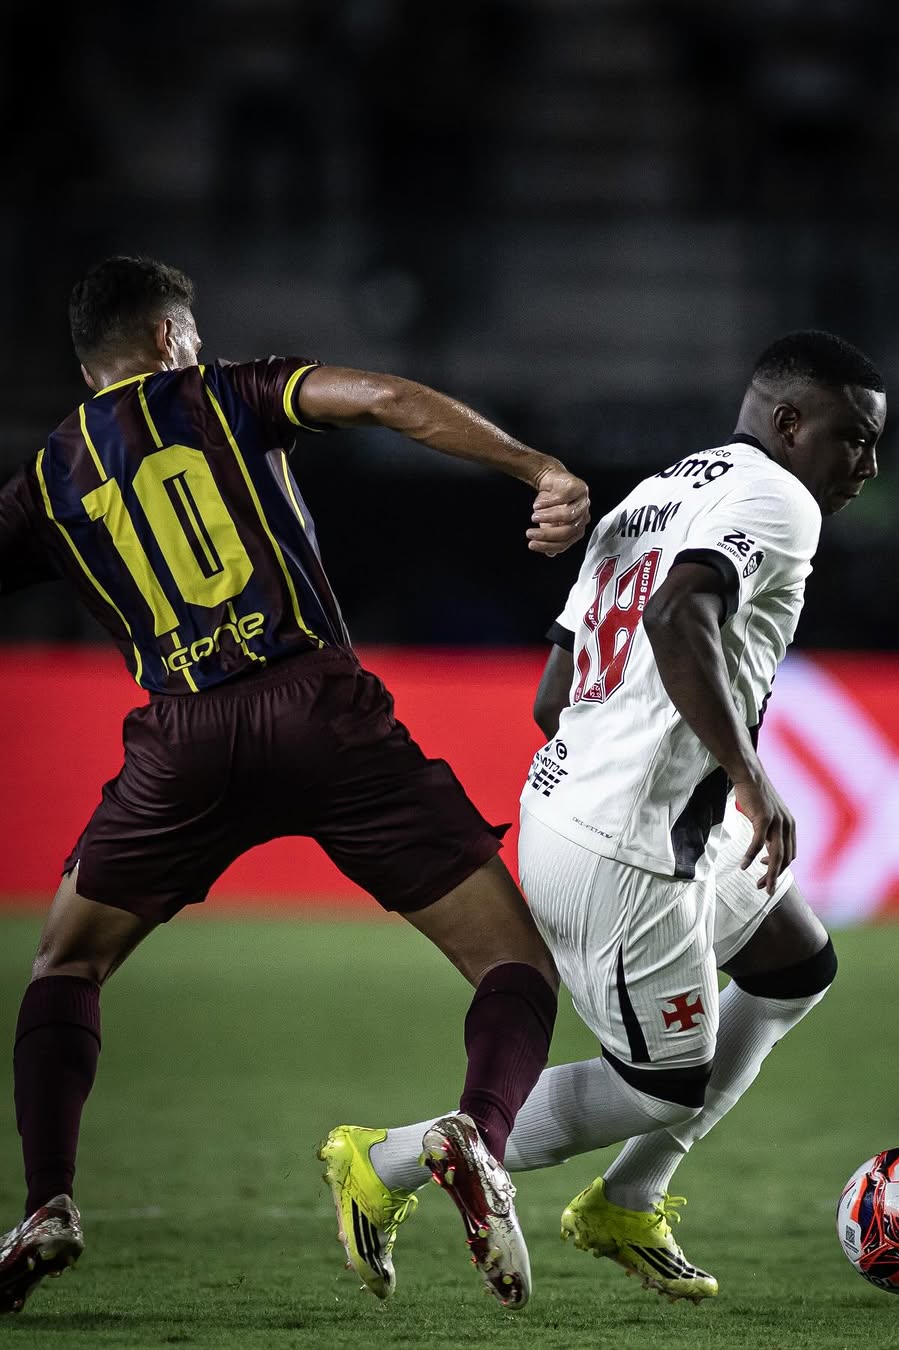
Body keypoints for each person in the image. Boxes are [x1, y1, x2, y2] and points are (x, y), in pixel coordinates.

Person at [0, 255, 591, 1315]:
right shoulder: (223, 392)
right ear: (171, 338)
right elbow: (387, 400)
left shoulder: (47, 480)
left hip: (181, 744)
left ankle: (47, 1202)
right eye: (192, 334)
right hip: (320, 714)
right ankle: (477, 1135)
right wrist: (533, 465)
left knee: (65, 965)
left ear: (87, 367)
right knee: (514, 962)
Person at [321, 331, 885, 1303]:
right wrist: (747, 773)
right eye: (855, 438)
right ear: (791, 423)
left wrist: (660, 765)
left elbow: (553, 696)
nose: (868, 465)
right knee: (660, 1086)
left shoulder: (650, 497)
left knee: (795, 965)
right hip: (628, 848)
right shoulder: (782, 500)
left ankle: (630, 1199)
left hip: (621, 811)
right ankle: (384, 1160)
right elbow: (675, 617)